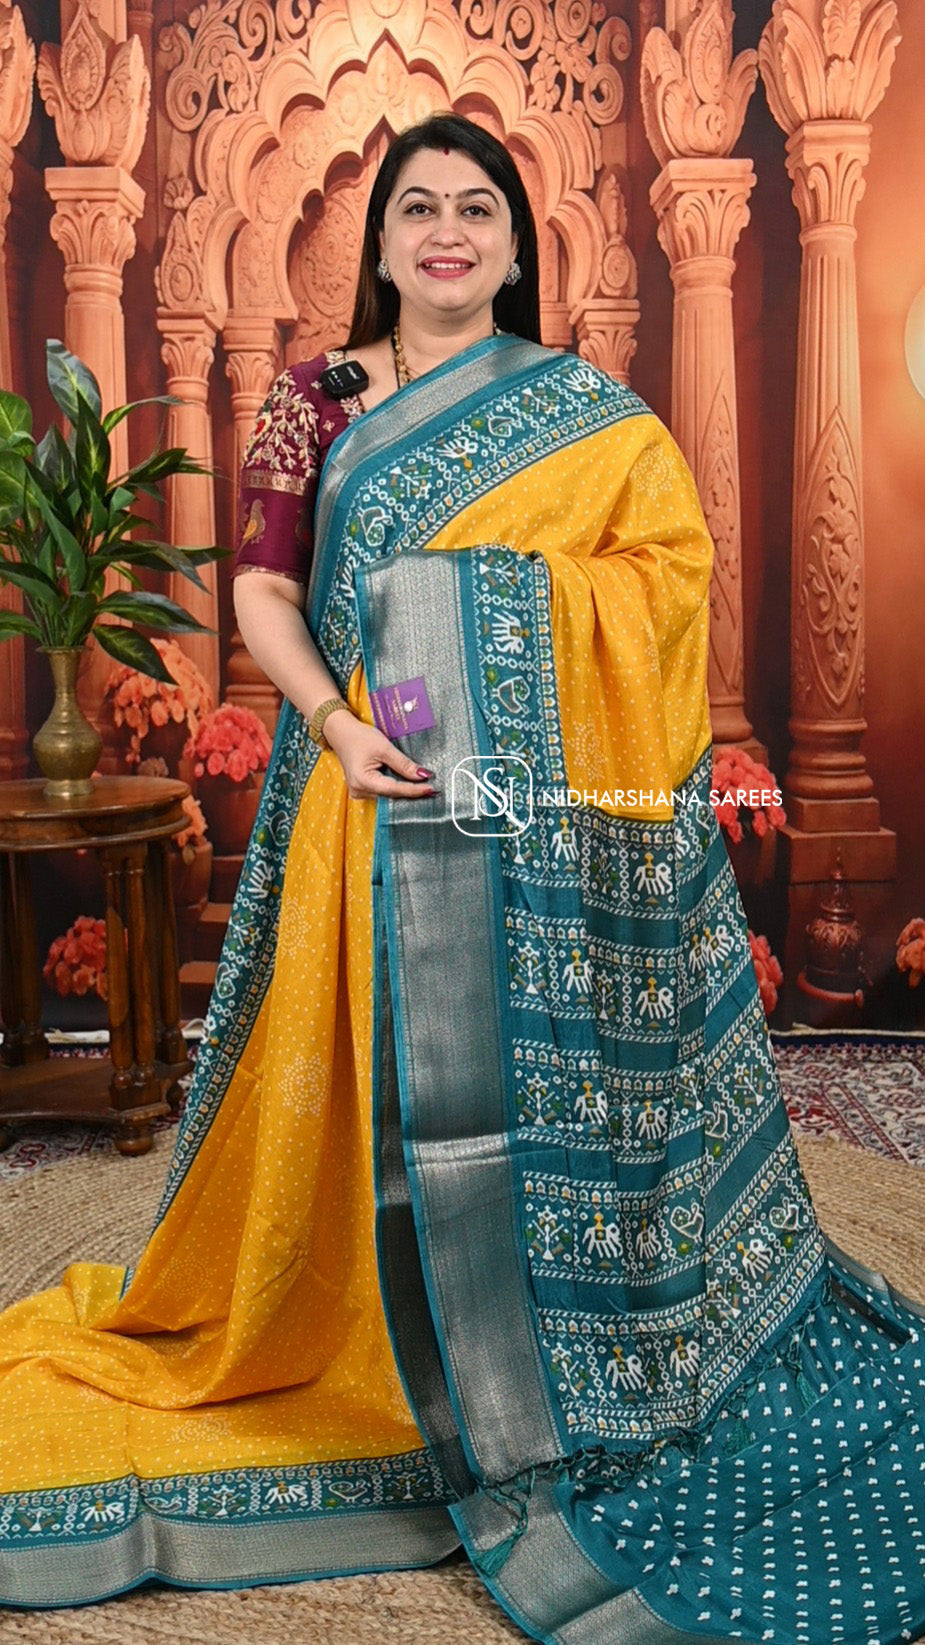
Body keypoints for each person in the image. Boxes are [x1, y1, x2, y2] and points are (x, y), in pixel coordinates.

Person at [1, 111, 925, 1644]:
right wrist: (333, 717)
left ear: (514, 243)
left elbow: (664, 582)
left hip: (527, 824)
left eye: (476, 210)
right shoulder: (313, 401)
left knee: (518, 1079)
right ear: (377, 241)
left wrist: (459, 608)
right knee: (360, 1087)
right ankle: (363, 1327)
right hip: (357, 799)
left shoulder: (585, 416)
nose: (446, 231)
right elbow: (262, 588)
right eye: (418, 207)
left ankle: (525, 1346)